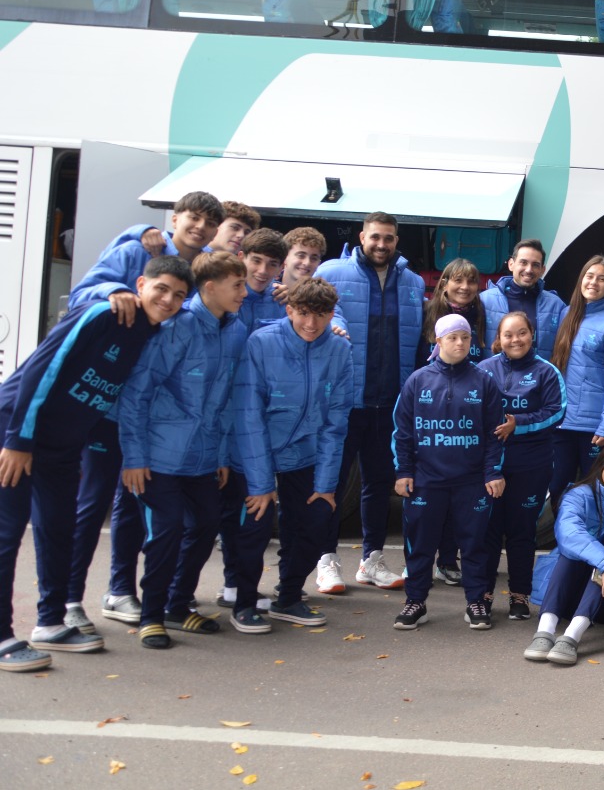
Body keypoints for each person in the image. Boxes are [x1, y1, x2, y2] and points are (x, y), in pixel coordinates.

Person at [0, 256, 191, 671]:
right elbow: (42, 371)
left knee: (57, 529)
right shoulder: (105, 315)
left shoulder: (153, 334)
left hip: (63, 448)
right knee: (7, 532)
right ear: (141, 284)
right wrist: (17, 440)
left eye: (179, 295)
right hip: (16, 433)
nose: (169, 299)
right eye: (162, 288)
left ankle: (50, 622)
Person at [117, 252, 249, 649]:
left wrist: (222, 455)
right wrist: (134, 458)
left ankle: (177, 605)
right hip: (158, 458)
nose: (244, 292)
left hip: (203, 458)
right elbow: (137, 394)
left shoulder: (235, 330)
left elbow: (227, 400)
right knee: (168, 528)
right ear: (210, 287)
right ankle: (151, 615)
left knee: (207, 523)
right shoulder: (177, 328)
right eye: (237, 285)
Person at [227, 277, 354, 635]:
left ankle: (289, 594)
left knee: (316, 520)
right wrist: (261, 483)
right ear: (289, 310)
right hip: (257, 451)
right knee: (254, 526)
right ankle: (245, 603)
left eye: (320, 315)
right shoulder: (261, 342)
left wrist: (327, 486)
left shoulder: (340, 350)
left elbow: (336, 422)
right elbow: (249, 415)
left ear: (332, 314)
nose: (311, 324)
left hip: (305, 453)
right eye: (302, 314)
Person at [315, 211, 426, 593]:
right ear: (362, 237)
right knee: (332, 480)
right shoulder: (331, 272)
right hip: (344, 402)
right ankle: (327, 560)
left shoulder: (411, 282)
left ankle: (371, 559)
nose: (381, 245)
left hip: (389, 405)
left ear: (397, 241)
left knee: (379, 484)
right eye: (375, 237)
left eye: (389, 239)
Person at [391, 314, 507, 631]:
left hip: (471, 482)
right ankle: (415, 601)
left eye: (465, 338)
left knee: (474, 544)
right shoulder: (418, 381)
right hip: (427, 481)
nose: (459, 343)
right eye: (453, 337)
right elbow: (402, 432)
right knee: (420, 543)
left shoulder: (484, 382)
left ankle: (476, 603)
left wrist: (492, 473)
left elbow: (494, 435)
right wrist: (403, 471)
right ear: (438, 341)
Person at [478, 311, 566, 622]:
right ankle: (482, 597)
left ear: (532, 335)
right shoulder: (483, 371)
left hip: (532, 465)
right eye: (508, 335)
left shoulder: (547, 372)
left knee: (522, 532)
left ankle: (519, 596)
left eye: (521, 333)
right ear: (498, 340)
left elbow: (557, 412)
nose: (515, 340)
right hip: (490, 467)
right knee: (487, 531)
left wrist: (519, 424)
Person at [524, 440, 604, 666]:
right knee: (573, 552)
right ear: (602, 463)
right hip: (570, 594)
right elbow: (569, 533)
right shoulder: (578, 494)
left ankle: (571, 637)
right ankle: (545, 631)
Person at [548, 255, 604, 505]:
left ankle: (592, 543)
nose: (593, 283)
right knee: (557, 488)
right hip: (562, 424)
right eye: (589, 276)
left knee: (592, 494)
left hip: (594, 429)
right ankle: (564, 541)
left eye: (602, 279)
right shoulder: (567, 314)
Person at [69, 192, 219, 315]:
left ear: (215, 234)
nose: (200, 226)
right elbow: (77, 298)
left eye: (210, 223)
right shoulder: (134, 251)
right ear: (174, 220)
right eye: (194, 218)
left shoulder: (210, 269)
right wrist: (113, 291)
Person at [481, 238, 567, 361]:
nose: (529, 270)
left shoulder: (556, 306)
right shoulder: (485, 300)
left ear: (543, 270)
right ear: (511, 264)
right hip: (495, 378)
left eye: (535, 265)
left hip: (539, 378)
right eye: (523, 262)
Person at [418, 258, 489, 367]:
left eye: (471, 281)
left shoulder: (482, 313)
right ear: (444, 285)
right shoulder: (425, 311)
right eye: (458, 280)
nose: (465, 287)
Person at [236, 228, 288, 334]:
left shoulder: (283, 301)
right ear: (241, 258)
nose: (263, 271)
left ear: (281, 268)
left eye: (272, 264)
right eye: (256, 261)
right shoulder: (222, 295)